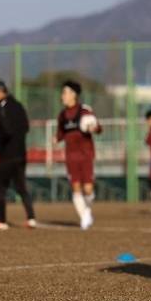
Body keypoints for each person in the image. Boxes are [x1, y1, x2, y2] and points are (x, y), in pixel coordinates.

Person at [0, 80, 36, 230]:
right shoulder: (19, 106)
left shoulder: (3, 108)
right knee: (21, 187)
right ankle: (31, 218)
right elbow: (26, 127)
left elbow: (6, 130)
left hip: (8, 155)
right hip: (21, 154)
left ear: (0, 92)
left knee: (0, 188)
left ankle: (2, 221)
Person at [55, 80, 102, 230]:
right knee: (75, 187)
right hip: (70, 156)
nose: (62, 95)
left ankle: (87, 211)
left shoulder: (84, 111)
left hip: (86, 154)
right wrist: (56, 139)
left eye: (65, 92)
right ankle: (84, 217)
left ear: (73, 95)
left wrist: (94, 128)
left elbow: (99, 128)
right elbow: (61, 134)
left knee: (88, 189)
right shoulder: (62, 115)